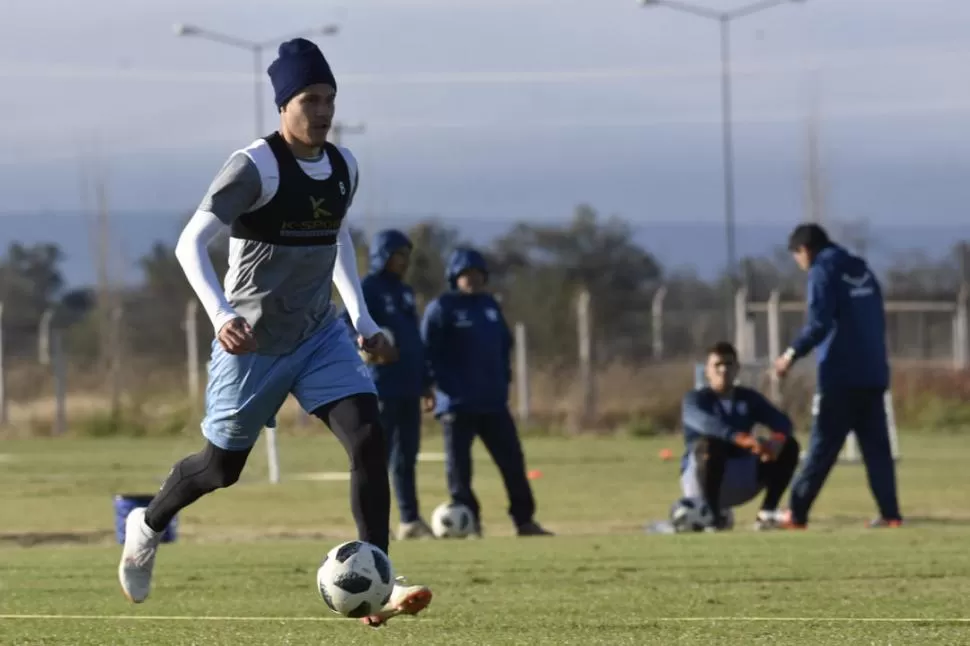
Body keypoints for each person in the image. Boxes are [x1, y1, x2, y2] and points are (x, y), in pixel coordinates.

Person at [117, 38, 431, 628]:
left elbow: (335, 238)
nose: (322, 110)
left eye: (330, 98)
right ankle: (148, 523)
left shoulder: (344, 167)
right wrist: (221, 316)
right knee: (219, 469)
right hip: (253, 343)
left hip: (319, 336)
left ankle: (381, 577)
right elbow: (190, 243)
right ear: (284, 104)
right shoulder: (255, 167)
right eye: (310, 98)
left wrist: (360, 318)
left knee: (367, 437)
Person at [773, 223, 902, 529]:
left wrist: (790, 355)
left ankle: (796, 513)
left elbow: (819, 323)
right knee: (877, 451)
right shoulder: (861, 269)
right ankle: (891, 514)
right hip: (873, 373)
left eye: (797, 258)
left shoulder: (823, 270)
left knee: (821, 448)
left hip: (840, 378)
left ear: (803, 250)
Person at [420, 247, 552, 537]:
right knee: (459, 470)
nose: (472, 279)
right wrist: (427, 386)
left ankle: (524, 520)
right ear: (455, 277)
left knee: (513, 462)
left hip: (492, 402)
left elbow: (504, 345)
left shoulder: (490, 306)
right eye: (466, 274)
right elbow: (425, 349)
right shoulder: (442, 308)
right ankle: (468, 521)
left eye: (478, 274)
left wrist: (504, 379)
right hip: (456, 403)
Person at [356, 229, 436, 540]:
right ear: (382, 255)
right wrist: (371, 351)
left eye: (406, 256)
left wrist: (426, 383)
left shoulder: (403, 291)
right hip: (380, 388)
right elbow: (349, 327)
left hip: (408, 387)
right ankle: (375, 524)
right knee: (376, 459)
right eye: (397, 255)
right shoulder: (367, 288)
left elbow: (415, 341)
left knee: (406, 459)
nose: (403, 261)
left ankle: (410, 520)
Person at [681, 341, 801, 530]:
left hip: (743, 477)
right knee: (709, 444)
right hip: (701, 480)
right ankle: (712, 516)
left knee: (790, 446)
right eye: (717, 365)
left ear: (737, 369)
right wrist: (742, 439)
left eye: (728, 364)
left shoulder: (748, 398)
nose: (723, 370)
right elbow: (708, 425)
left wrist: (777, 441)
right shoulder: (695, 400)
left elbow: (782, 423)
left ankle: (767, 513)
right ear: (707, 370)